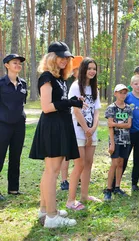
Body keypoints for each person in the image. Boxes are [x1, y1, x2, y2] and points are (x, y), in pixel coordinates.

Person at [30, 41, 84, 228]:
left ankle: (45, 210)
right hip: (52, 126)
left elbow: (58, 101)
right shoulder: (46, 77)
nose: (64, 60)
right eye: (60, 56)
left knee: (50, 170)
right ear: (52, 57)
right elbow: (46, 107)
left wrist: (72, 101)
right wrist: (69, 103)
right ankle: (52, 217)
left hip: (59, 125)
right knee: (52, 172)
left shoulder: (60, 78)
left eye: (66, 57)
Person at [66, 58, 102, 210]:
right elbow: (76, 109)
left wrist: (93, 128)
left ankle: (84, 195)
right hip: (78, 131)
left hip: (91, 132)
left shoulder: (94, 89)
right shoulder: (75, 86)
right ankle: (71, 200)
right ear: (83, 70)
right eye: (89, 68)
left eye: (94, 68)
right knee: (79, 164)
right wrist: (86, 129)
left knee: (88, 163)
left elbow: (97, 110)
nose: (92, 71)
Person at [0, 54, 27, 201]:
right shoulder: (1, 83)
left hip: (19, 126)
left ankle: (13, 188)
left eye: (19, 63)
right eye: (14, 63)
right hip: (3, 125)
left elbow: (22, 103)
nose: (18, 65)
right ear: (7, 65)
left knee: (15, 157)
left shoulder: (23, 83)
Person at [104, 84, 132, 201]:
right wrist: (112, 143)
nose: (122, 95)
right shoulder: (111, 108)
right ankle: (108, 189)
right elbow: (110, 126)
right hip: (115, 139)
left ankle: (117, 187)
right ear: (115, 93)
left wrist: (116, 124)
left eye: (124, 93)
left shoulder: (128, 108)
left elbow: (129, 125)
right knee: (114, 163)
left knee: (121, 163)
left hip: (126, 139)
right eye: (120, 92)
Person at [61, 55, 83, 191]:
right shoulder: (66, 81)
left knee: (77, 150)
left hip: (77, 121)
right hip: (66, 119)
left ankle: (78, 176)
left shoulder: (82, 83)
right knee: (66, 152)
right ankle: (64, 180)